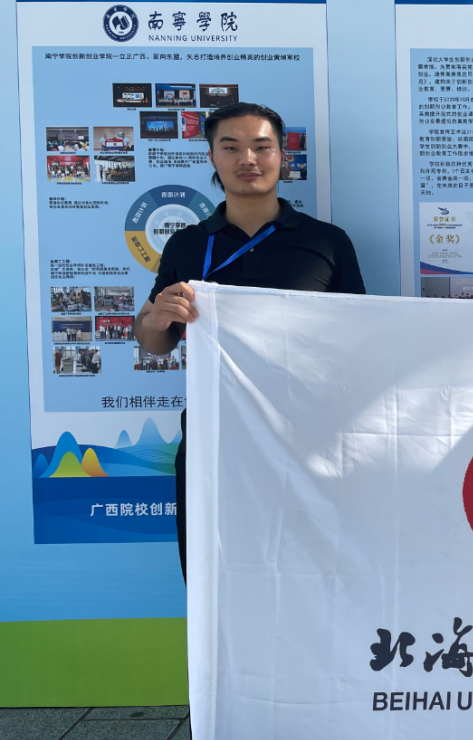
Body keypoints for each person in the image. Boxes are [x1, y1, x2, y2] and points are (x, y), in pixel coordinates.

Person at [134, 102, 366, 581]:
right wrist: (156, 318)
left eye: (262, 147)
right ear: (212, 157)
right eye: (231, 147)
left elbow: (358, 338)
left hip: (306, 439)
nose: (248, 159)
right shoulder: (187, 244)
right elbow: (156, 342)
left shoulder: (326, 242)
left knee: (307, 575)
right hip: (213, 435)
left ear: (283, 156)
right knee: (212, 573)